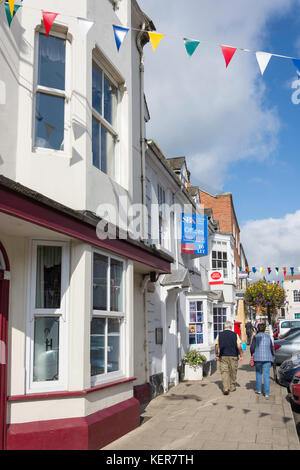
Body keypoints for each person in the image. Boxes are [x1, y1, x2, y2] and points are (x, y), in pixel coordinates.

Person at [215, 321, 244, 395]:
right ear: (231, 327)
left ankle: (225, 388)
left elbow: (216, 345)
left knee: (224, 372)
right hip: (233, 355)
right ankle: (232, 387)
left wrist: (217, 354)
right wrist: (241, 355)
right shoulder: (235, 335)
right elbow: (239, 346)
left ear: (224, 327)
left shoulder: (220, 335)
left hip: (223, 356)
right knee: (233, 371)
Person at [250, 323, 275, 399]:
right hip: (267, 358)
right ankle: (267, 393)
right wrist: (273, 356)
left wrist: (252, 355)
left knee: (258, 374)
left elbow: (252, 348)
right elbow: (271, 348)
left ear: (257, 329)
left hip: (258, 358)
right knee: (266, 375)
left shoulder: (255, 337)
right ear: (264, 329)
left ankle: (259, 390)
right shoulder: (268, 337)